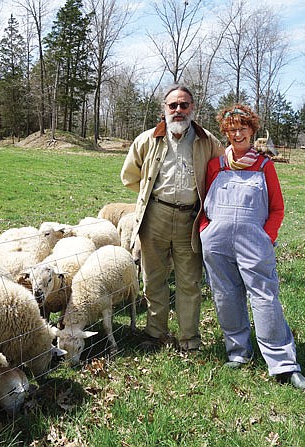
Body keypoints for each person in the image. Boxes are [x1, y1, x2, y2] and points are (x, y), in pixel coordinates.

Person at [199, 103, 305, 390]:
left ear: (252, 130)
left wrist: (267, 237)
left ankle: (284, 364)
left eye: (243, 129)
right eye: (231, 130)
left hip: (255, 243)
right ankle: (238, 352)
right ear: (225, 132)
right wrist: (206, 231)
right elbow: (204, 205)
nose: (237, 134)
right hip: (216, 243)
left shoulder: (265, 166)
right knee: (225, 296)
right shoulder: (216, 165)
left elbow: (277, 208)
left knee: (265, 299)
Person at [121, 84, 223, 352]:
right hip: (155, 215)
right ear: (164, 109)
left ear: (193, 108)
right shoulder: (147, 139)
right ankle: (156, 334)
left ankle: (189, 339)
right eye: (173, 105)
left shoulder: (208, 141)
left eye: (184, 105)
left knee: (189, 281)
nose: (178, 110)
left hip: (191, 219)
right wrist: (152, 196)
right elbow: (130, 177)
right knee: (154, 278)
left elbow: (221, 175)